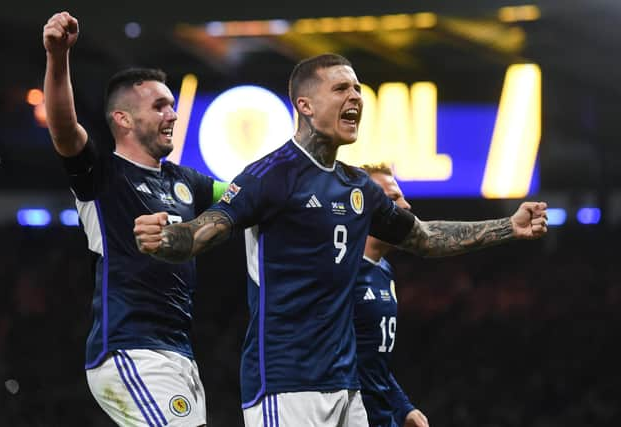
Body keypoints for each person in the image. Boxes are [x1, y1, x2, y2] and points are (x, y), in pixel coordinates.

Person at [134, 53, 548, 426]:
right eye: (341, 88)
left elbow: (423, 237)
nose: (356, 96)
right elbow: (208, 228)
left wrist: (509, 226)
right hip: (287, 383)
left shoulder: (357, 186)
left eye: (357, 88)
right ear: (305, 105)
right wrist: (166, 237)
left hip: (347, 387)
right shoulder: (270, 175)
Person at [43, 11, 226, 426]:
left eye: (173, 106)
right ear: (123, 119)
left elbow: (242, 197)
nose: (173, 115)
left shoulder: (187, 181)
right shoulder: (101, 174)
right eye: (160, 106)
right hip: (128, 348)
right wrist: (57, 56)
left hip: (178, 350)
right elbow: (64, 129)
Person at [355, 164, 428, 427]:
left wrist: (403, 407)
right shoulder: (339, 275)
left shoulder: (384, 270)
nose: (406, 206)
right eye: (394, 198)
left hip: (382, 417)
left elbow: (373, 364)